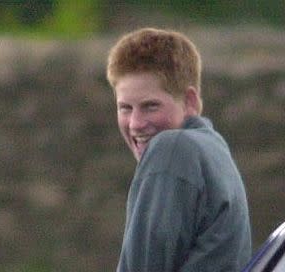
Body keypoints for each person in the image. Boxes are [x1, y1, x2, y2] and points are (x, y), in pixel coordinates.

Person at [106, 28, 252, 271]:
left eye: (150, 106)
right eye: (125, 108)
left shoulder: (172, 149)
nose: (135, 124)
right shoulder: (214, 149)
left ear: (190, 102)